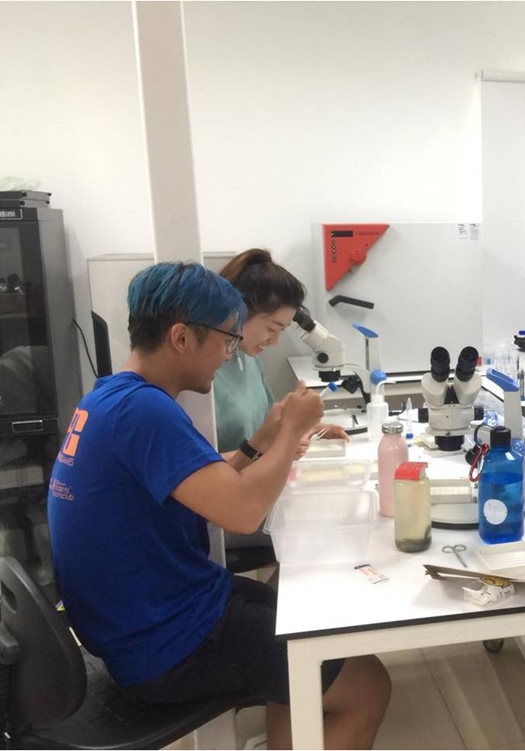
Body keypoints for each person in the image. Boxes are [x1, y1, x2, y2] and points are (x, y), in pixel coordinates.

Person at [47, 262, 390, 749]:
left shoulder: (113, 398)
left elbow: (200, 480)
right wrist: (291, 428)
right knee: (367, 686)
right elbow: (242, 513)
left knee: (306, 614)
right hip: (164, 646)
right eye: (227, 342)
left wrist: (262, 440)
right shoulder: (146, 412)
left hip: (154, 615)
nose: (229, 356)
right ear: (183, 338)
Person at [215, 248, 348, 554]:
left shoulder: (245, 357)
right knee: (325, 536)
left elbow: (269, 426)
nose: (274, 341)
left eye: (282, 331)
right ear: (239, 311)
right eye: (272, 329)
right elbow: (195, 469)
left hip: (261, 492)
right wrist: (281, 445)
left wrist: (307, 428)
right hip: (226, 512)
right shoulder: (206, 372)